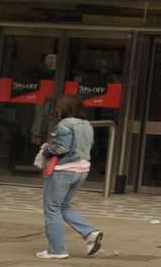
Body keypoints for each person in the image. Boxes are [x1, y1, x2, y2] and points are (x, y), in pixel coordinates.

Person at [36, 92, 102, 260]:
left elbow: (61, 148)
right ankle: (90, 233)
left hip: (64, 170)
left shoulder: (65, 124)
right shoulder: (87, 124)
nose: (57, 109)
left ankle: (57, 250)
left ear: (64, 108)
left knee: (52, 208)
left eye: (59, 106)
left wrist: (45, 148)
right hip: (82, 169)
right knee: (64, 206)